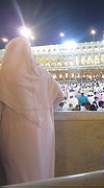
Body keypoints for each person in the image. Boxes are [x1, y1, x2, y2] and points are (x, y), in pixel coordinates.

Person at [0, 37, 64, 184]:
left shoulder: (3, 75)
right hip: (44, 129)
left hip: (15, 129)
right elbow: (58, 96)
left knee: (17, 172)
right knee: (42, 167)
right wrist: (43, 110)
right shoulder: (42, 73)